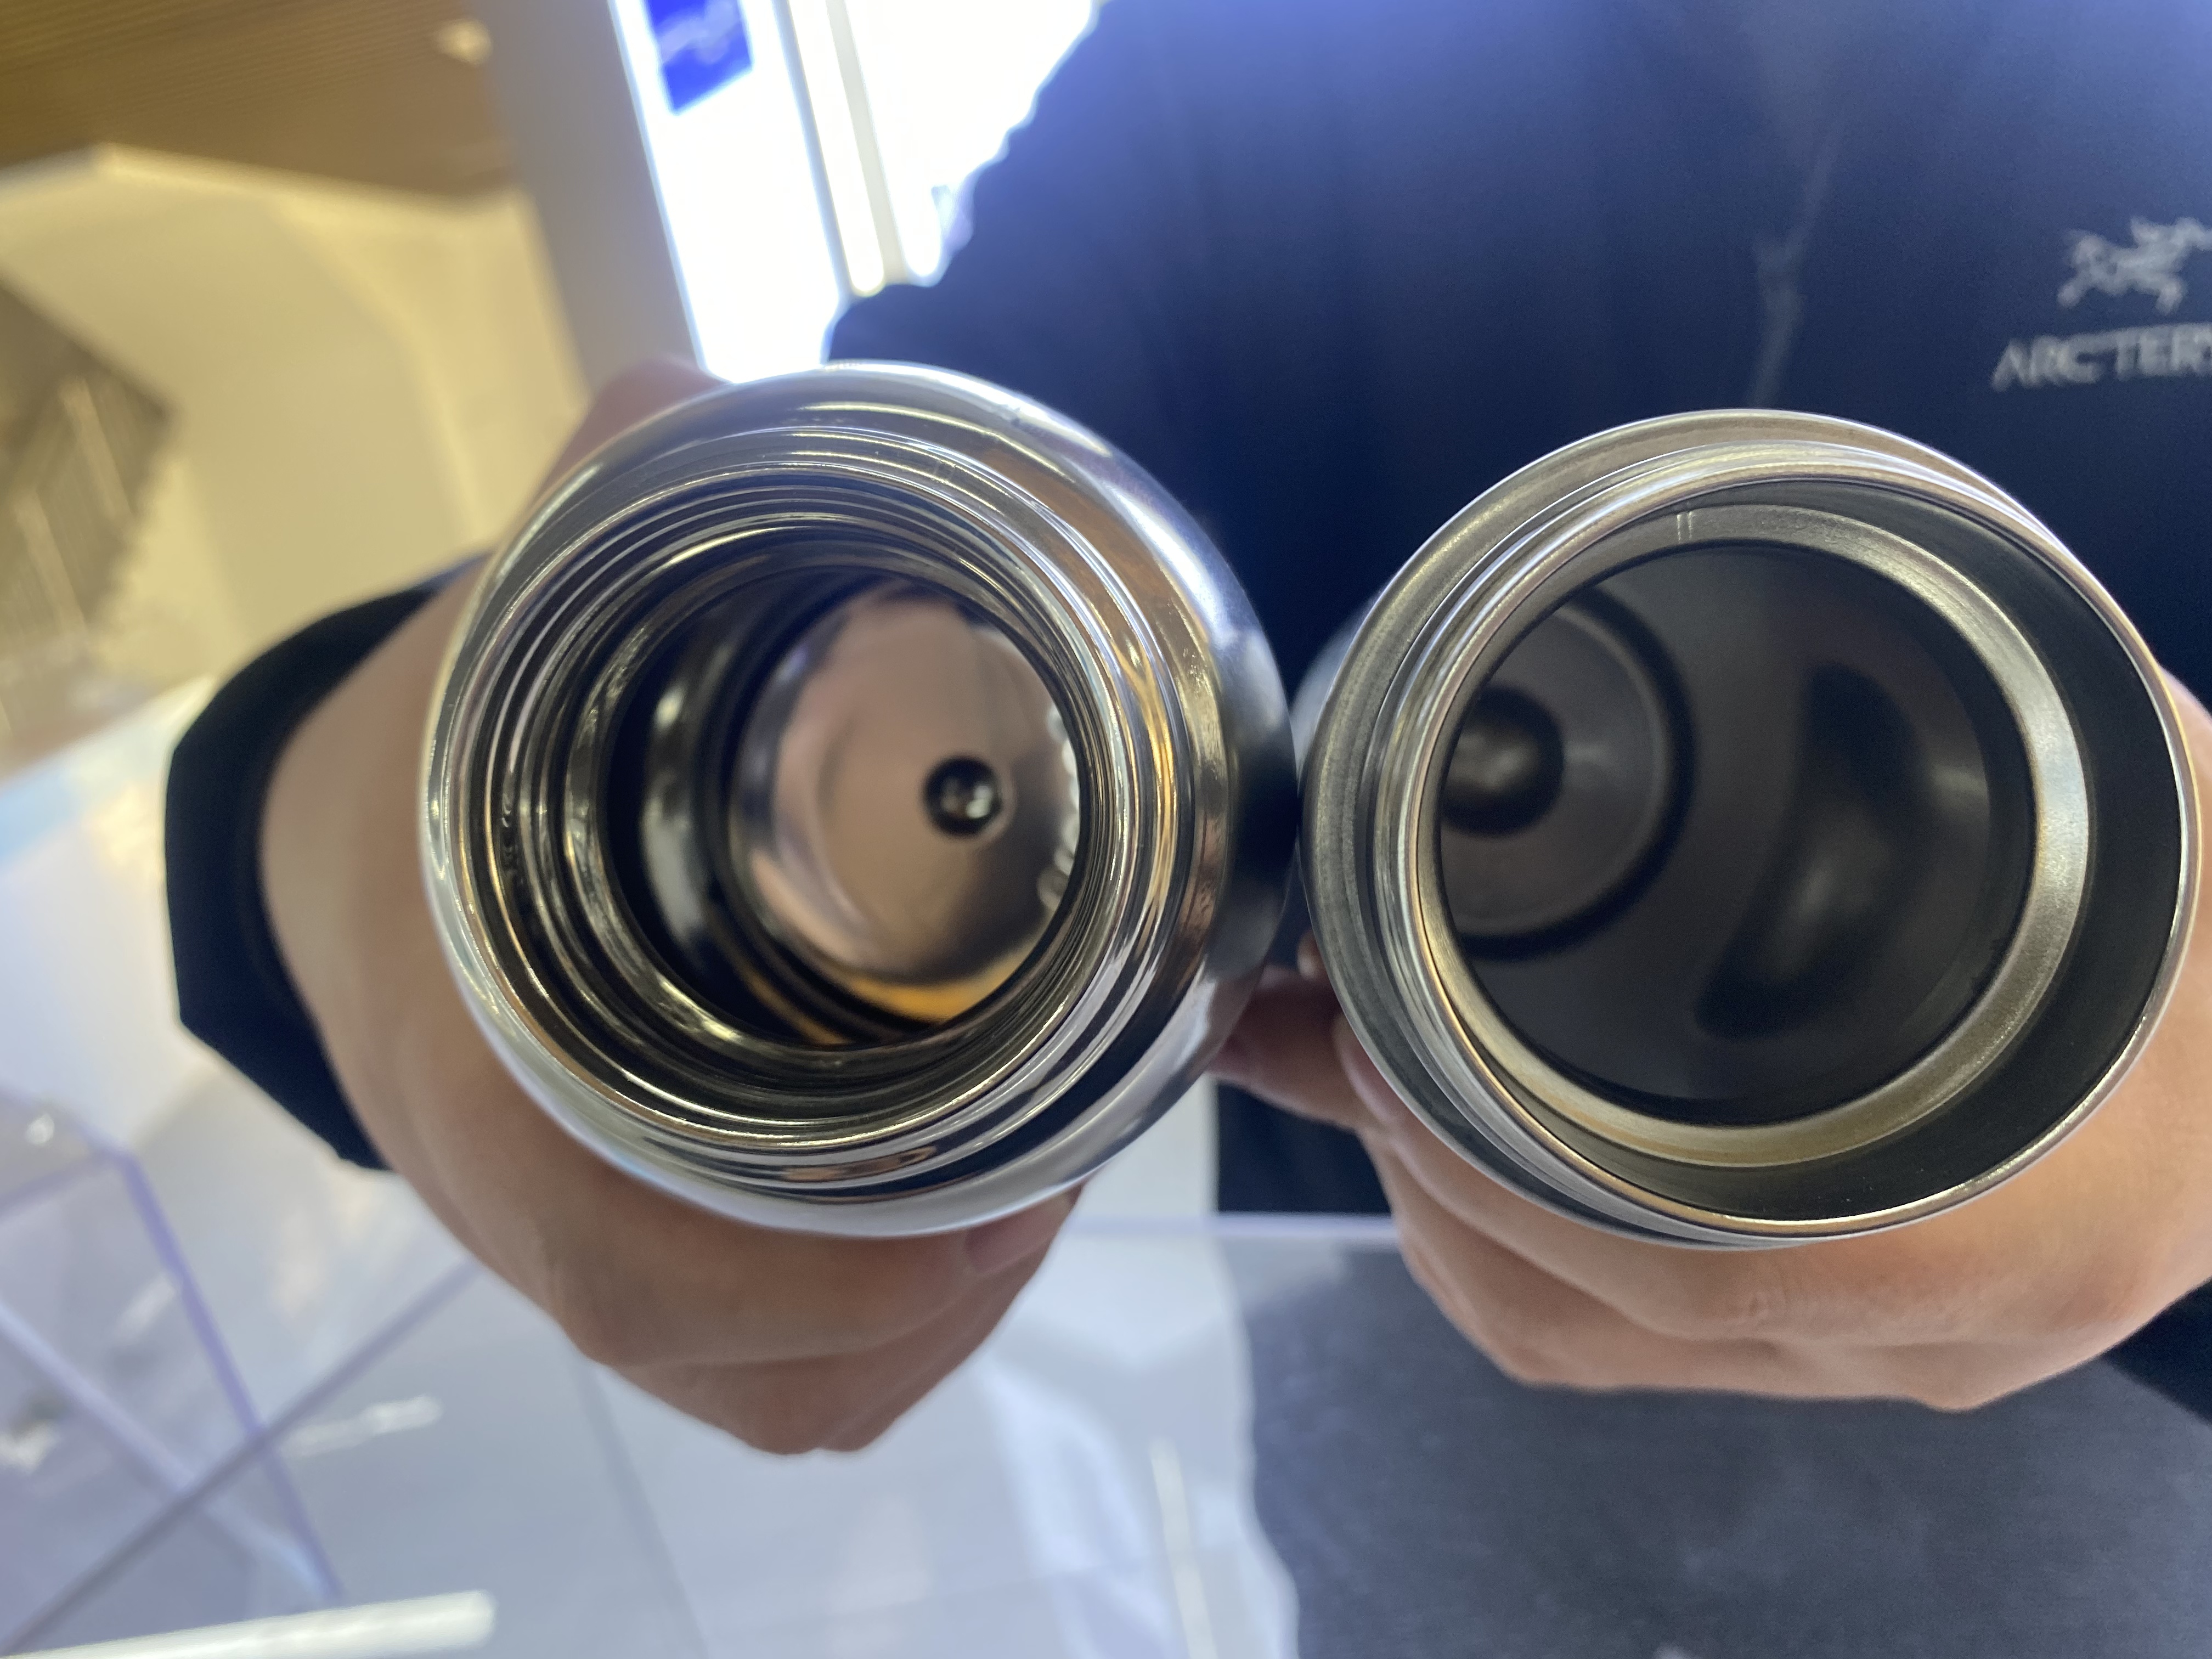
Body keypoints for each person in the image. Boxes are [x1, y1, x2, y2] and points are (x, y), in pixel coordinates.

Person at [166, 0, 2212, 1629]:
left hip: (2113, 1536)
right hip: (1413, 1497)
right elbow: (879, 509)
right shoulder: (1249, 66)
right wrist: (363, 844)